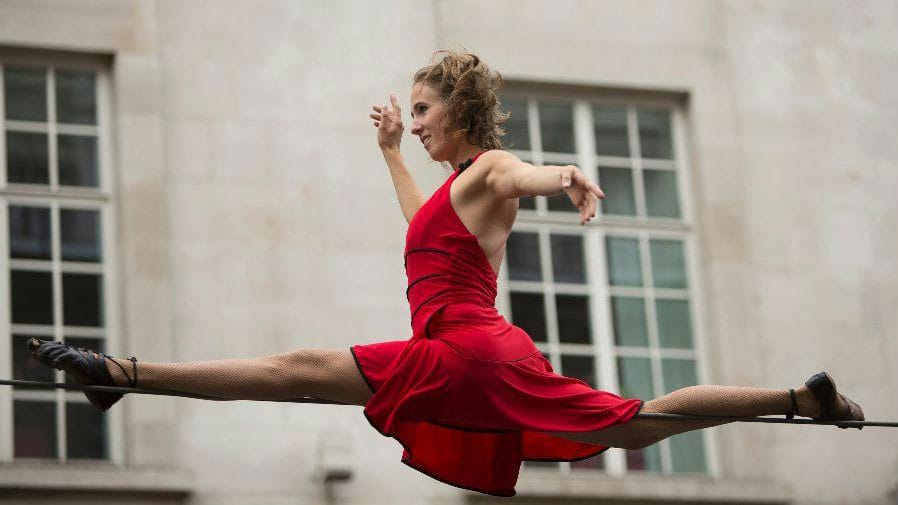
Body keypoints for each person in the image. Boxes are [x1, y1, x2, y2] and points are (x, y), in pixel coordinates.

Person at [29, 50, 864, 498]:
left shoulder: (492, 166)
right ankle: (798, 398)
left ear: (459, 111)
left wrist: (563, 173)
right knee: (633, 424)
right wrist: (391, 152)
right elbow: (421, 229)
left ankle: (120, 373)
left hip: (466, 351)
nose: (415, 120)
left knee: (296, 372)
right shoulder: (452, 195)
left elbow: (518, 173)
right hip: (477, 353)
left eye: (423, 110)